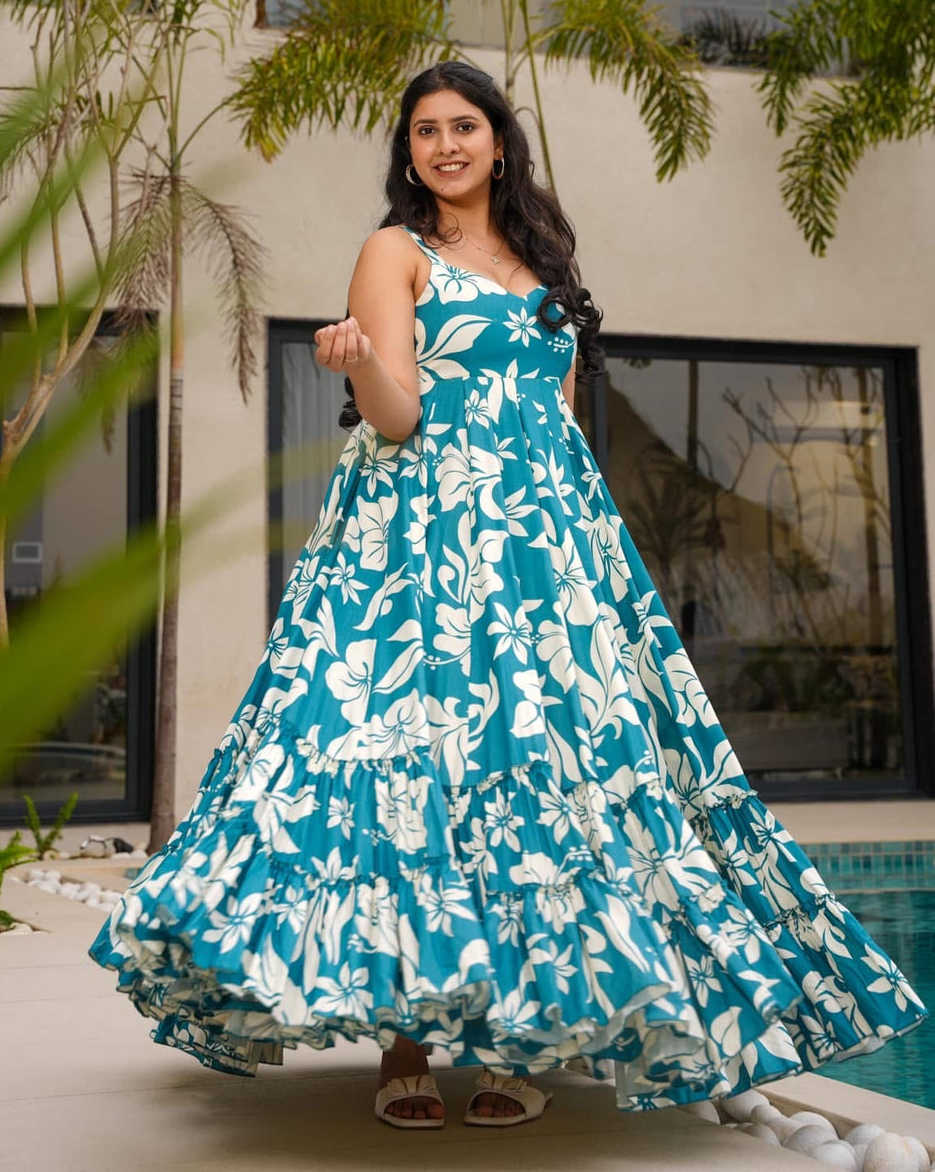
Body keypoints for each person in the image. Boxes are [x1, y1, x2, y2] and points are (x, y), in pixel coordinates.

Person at [90, 60, 927, 1129]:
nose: (443, 144)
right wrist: (353, 363)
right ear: (406, 152)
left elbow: (564, 425)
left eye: (463, 126)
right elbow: (396, 414)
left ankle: (521, 1033)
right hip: (422, 548)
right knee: (409, 762)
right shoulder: (393, 251)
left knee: (539, 775)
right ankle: (403, 1042)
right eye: (424, 130)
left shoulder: (543, 261)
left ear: (497, 141)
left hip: (548, 556)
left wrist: (581, 565)